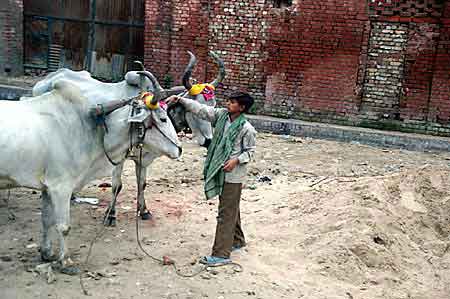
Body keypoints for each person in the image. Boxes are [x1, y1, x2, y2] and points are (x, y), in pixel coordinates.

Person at [167, 90, 257, 266]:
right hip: (219, 169)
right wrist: (181, 100)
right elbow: (201, 110)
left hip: (233, 175)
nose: (228, 104)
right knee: (230, 208)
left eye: (232, 102)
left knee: (225, 213)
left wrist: (236, 160)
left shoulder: (247, 129)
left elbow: (250, 152)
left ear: (242, 108)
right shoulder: (221, 116)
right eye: (229, 101)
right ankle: (237, 241)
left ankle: (221, 254)